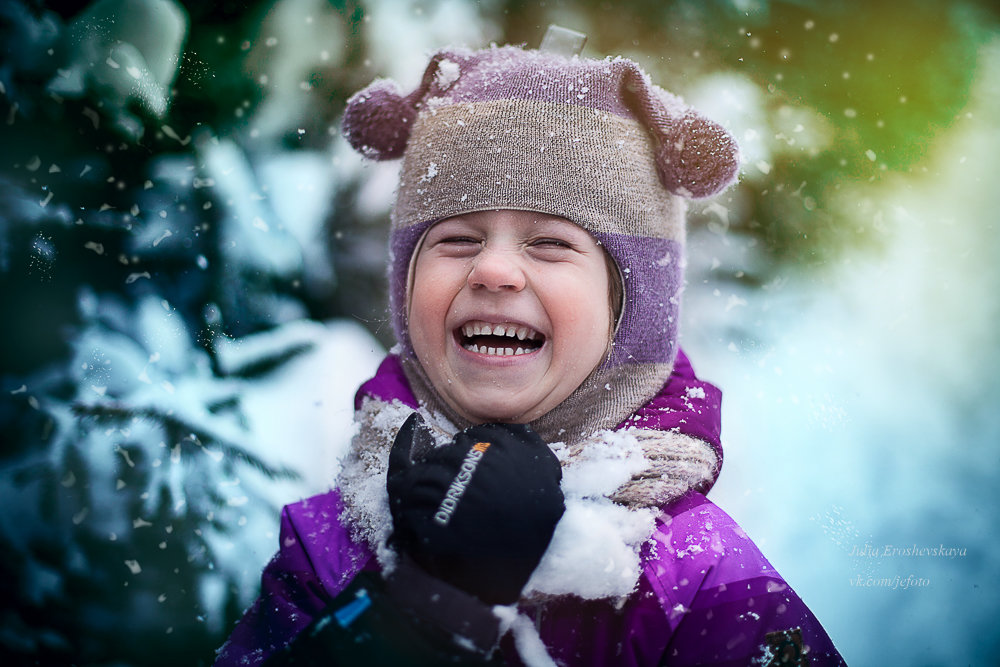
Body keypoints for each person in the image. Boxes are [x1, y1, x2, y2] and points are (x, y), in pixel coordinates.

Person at [215, 28, 845, 667]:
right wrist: (414, 614)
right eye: (457, 239)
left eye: (550, 243)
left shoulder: (698, 577)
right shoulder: (333, 540)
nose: (494, 271)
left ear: (634, 308)